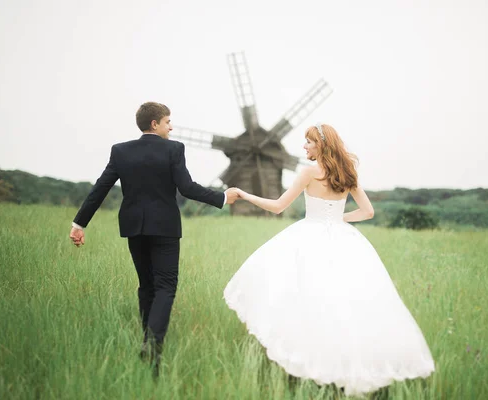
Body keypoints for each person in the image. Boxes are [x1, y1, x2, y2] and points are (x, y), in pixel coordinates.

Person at [224, 123, 435, 396]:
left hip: (309, 236)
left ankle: (311, 367)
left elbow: (277, 207)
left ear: (321, 145)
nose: (304, 146)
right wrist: (338, 219)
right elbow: (368, 212)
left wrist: (243, 193)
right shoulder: (348, 173)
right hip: (343, 239)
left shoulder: (309, 173)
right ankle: (342, 367)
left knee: (307, 300)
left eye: (309, 142)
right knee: (344, 303)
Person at [69, 102, 239, 377]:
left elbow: (100, 187)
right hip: (165, 228)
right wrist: (221, 197)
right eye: (168, 121)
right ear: (154, 124)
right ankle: (152, 348)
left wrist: (79, 223)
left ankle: (146, 343)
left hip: (134, 226)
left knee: (146, 286)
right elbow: (186, 187)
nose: (171, 127)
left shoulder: (120, 150)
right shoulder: (174, 149)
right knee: (166, 287)